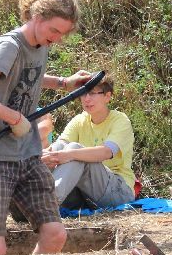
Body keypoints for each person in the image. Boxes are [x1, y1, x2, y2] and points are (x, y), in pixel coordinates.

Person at [0, 0, 90, 255]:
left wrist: (63, 83)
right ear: (37, 17)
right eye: (54, 31)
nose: (57, 39)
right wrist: (13, 117)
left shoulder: (39, 45)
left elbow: (26, 76)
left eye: (63, 35)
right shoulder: (8, 46)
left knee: (55, 234)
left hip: (26, 153)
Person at [41, 74, 136, 209]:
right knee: (58, 149)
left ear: (107, 96)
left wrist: (68, 155)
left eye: (92, 93)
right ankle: (34, 195)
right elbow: (59, 146)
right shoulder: (80, 120)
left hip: (118, 192)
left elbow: (106, 152)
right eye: (83, 93)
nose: (86, 99)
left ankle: (47, 202)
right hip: (84, 194)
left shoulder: (120, 121)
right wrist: (45, 155)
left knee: (74, 149)